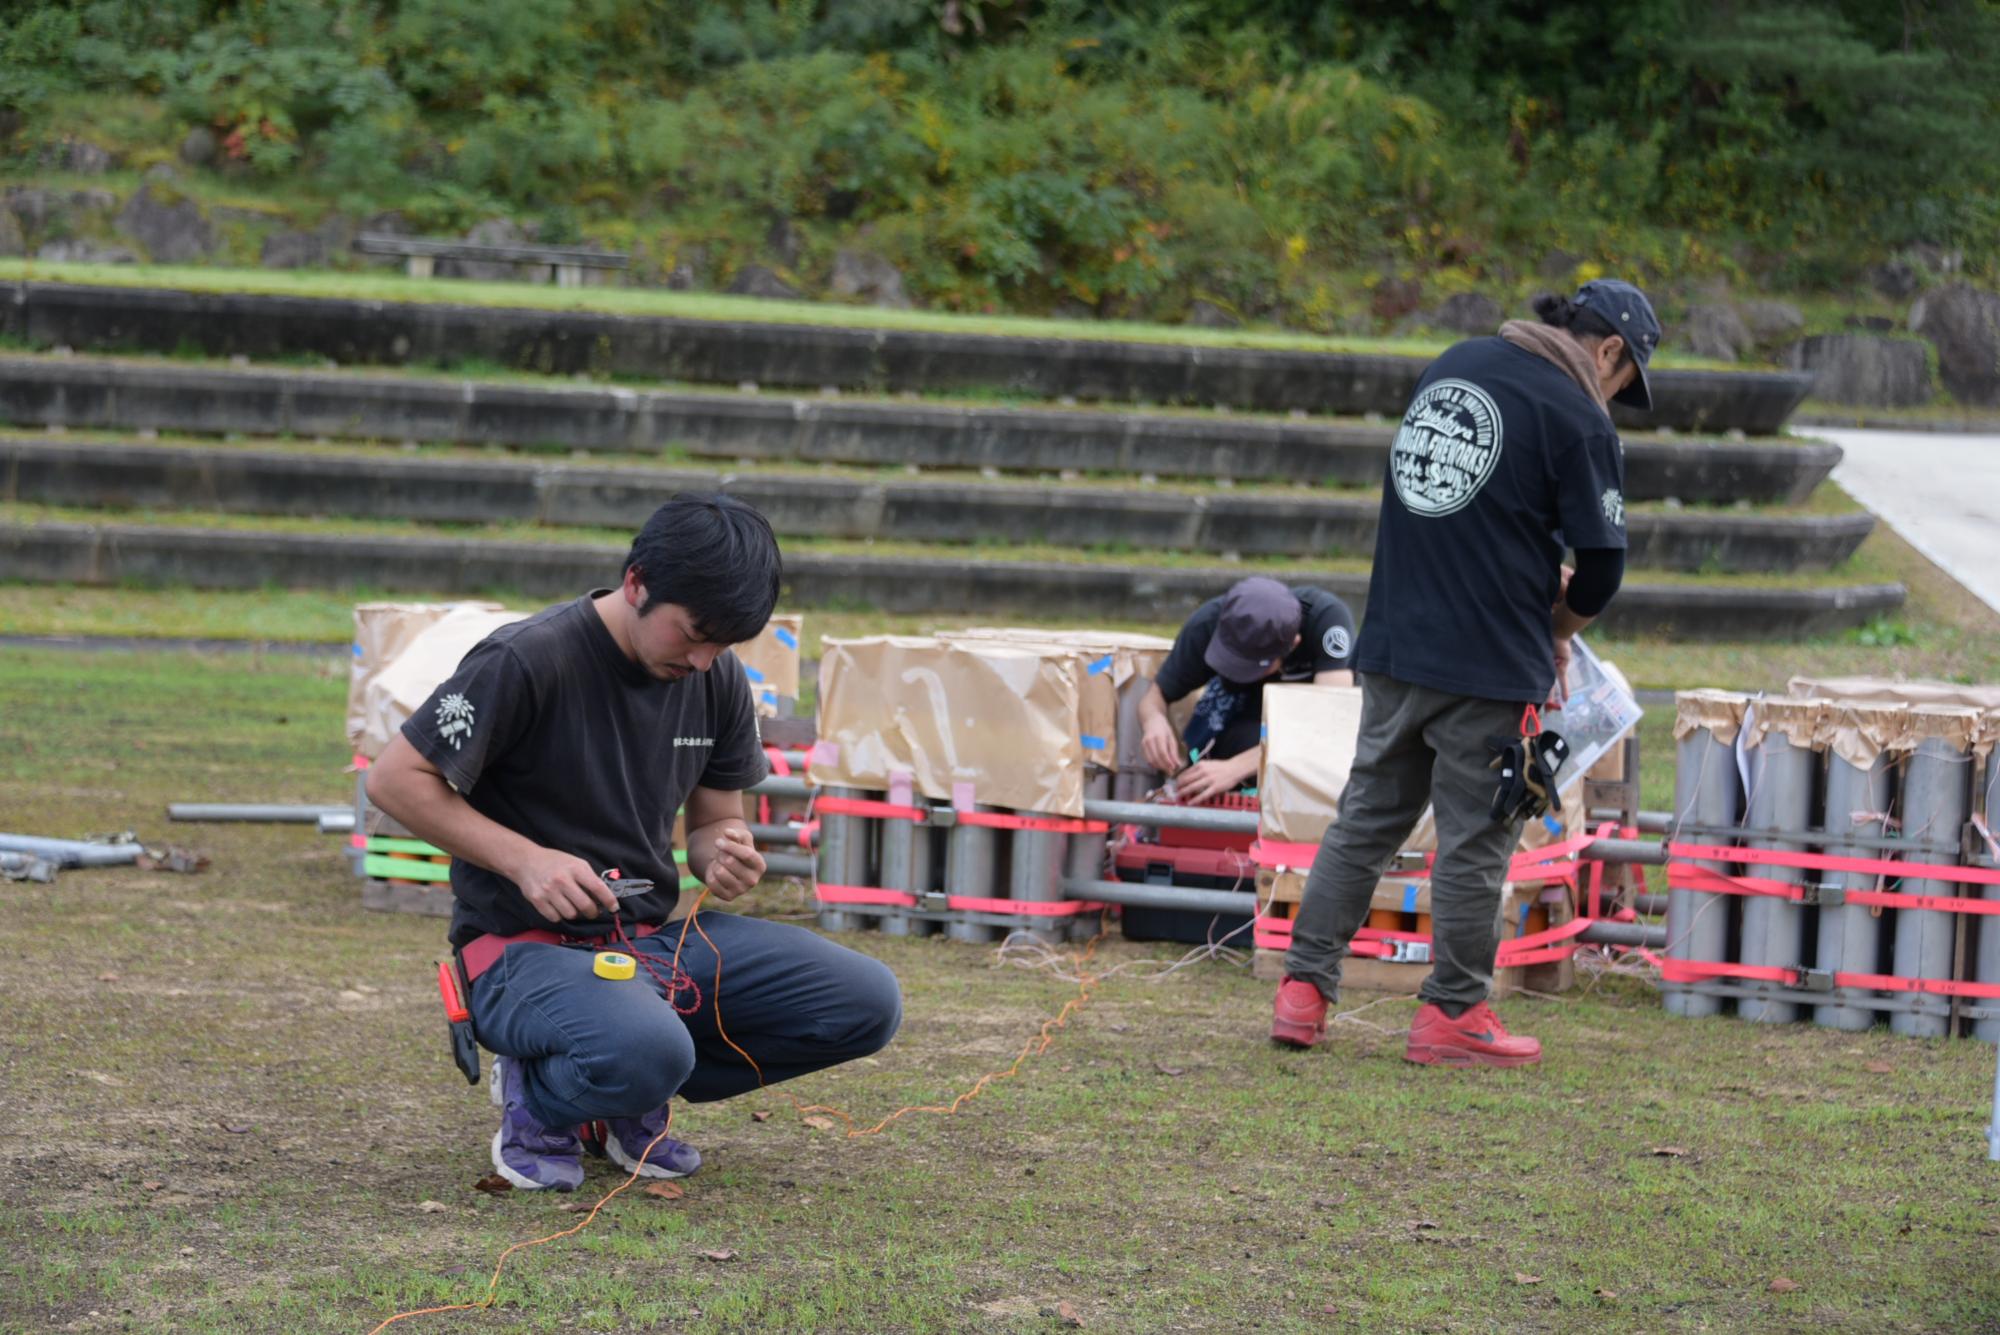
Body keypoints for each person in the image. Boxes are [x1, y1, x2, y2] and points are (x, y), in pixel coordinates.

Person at [368, 494, 902, 1190]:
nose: (705, 658)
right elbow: (393, 779)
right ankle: (548, 1095)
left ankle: (619, 1084)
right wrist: (525, 860)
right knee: (648, 1045)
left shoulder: (715, 678)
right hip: (520, 950)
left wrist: (724, 850)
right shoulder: (526, 659)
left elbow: (714, 824)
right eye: (694, 632)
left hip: (646, 948)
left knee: (864, 1001)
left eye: (725, 644)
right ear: (638, 582)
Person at [1270, 279, 1660, 1066]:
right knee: (1477, 839)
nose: (1615, 399)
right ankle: (1454, 1011)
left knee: (1365, 822)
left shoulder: (1453, 365)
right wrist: (1558, 626)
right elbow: (1602, 574)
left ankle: (1302, 993)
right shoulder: (1578, 415)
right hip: (1486, 662)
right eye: (1625, 382)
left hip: (1393, 643)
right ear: (1610, 349)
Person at [1135, 577, 1356, 805]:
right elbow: (1153, 699)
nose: (1238, 672)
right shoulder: (1206, 625)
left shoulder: (1326, 621)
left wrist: (1235, 768)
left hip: (1307, 729)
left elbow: (1331, 724)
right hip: (1243, 718)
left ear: (1293, 644)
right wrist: (1154, 721)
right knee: (1212, 755)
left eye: (1249, 667)